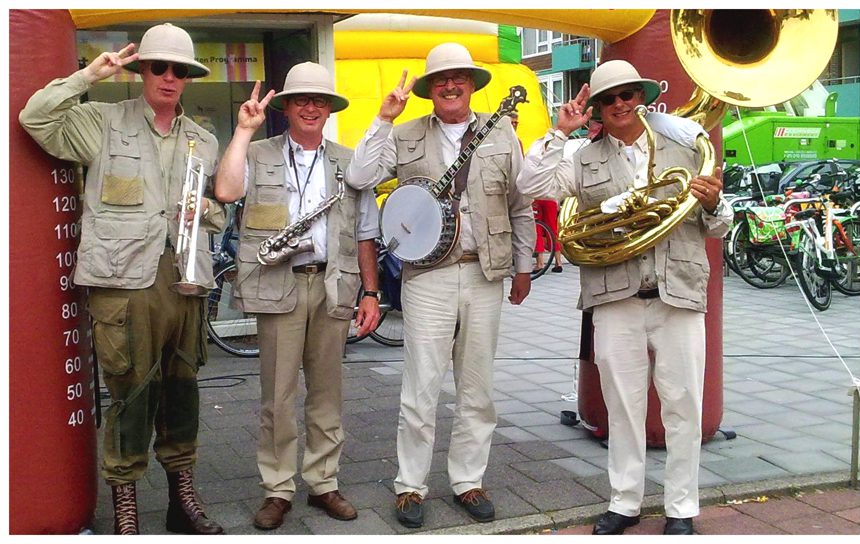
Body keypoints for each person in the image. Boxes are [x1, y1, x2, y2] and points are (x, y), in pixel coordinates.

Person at [19, 23, 226, 535]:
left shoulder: (202, 139)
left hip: (185, 279)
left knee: (183, 387)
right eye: (160, 67)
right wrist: (87, 74)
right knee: (131, 391)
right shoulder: (103, 123)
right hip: (123, 283)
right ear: (141, 72)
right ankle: (126, 504)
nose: (170, 77)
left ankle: (183, 497)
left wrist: (210, 209)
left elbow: (217, 210)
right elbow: (34, 117)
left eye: (181, 70)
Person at [516, 59, 733, 535]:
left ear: (642, 96)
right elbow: (529, 185)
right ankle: (625, 501)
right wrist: (558, 132)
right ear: (595, 108)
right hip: (615, 296)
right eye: (608, 99)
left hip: (677, 293)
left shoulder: (684, 145)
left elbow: (719, 225)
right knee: (623, 405)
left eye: (627, 95)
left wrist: (715, 203)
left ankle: (681, 508)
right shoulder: (580, 155)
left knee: (682, 405)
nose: (619, 105)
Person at [344, 42, 535, 528]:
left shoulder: (501, 135)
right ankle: (410, 486)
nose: (451, 85)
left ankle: (468, 481)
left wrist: (523, 264)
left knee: (477, 389)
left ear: (472, 84)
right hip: (426, 277)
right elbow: (359, 175)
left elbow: (520, 203)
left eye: (460, 78)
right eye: (441, 79)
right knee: (420, 388)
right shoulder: (405, 133)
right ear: (430, 90)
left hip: (484, 272)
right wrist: (384, 118)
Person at [213, 62, 381, 530]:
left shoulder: (351, 161)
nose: (311, 106)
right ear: (285, 107)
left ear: (330, 109)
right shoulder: (258, 152)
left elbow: (366, 231)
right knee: (278, 396)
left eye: (320, 100)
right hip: (277, 286)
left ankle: (323, 482)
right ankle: (278, 488)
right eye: (301, 99)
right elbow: (226, 190)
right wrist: (244, 131)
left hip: (333, 283)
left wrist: (371, 292)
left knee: (328, 393)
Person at [511, 111, 565, 274]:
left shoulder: (523, 146)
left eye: (516, 123)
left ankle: (542, 262)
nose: (515, 126)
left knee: (538, 228)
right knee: (549, 228)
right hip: (546, 196)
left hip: (537, 196)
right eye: (513, 123)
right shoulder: (552, 155)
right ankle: (557, 261)